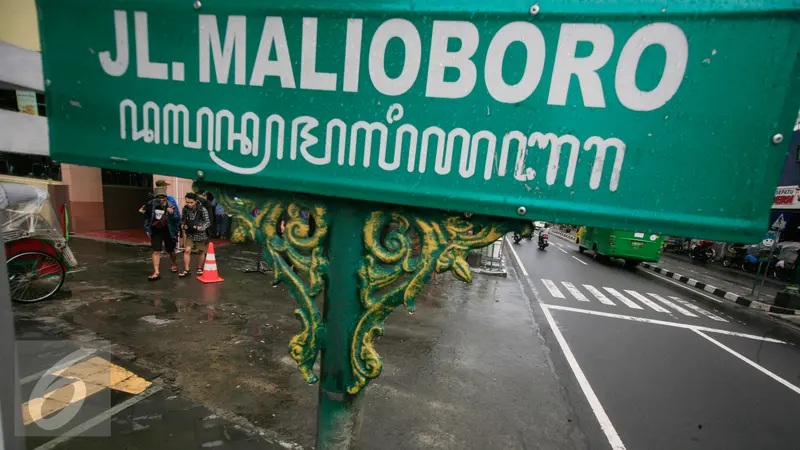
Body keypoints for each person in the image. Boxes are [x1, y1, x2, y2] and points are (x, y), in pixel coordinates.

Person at [143, 187, 180, 280]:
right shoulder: (151, 204)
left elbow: (177, 219)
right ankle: (156, 272)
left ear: (166, 197)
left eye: (163, 197)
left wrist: (172, 213)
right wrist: (147, 229)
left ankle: (174, 263)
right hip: (155, 230)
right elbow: (147, 217)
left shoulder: (171, 205)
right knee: (156, 250)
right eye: (158, 197)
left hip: (168, 230)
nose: (161, 199)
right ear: (155, 198)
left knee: (171, 250)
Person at [179, 192, 211, 277]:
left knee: (201, 251)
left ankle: (200, 268)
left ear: (196, 201)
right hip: (190, 233)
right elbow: (182, 219)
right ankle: (187, 269)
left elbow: (207, 222)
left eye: (191, 202)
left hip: (201, 234)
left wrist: (199, 228)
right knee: (187, 250)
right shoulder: (185, 209)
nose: (189, 204)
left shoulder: (202, 209)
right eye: (187, 202)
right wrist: (183, 225)